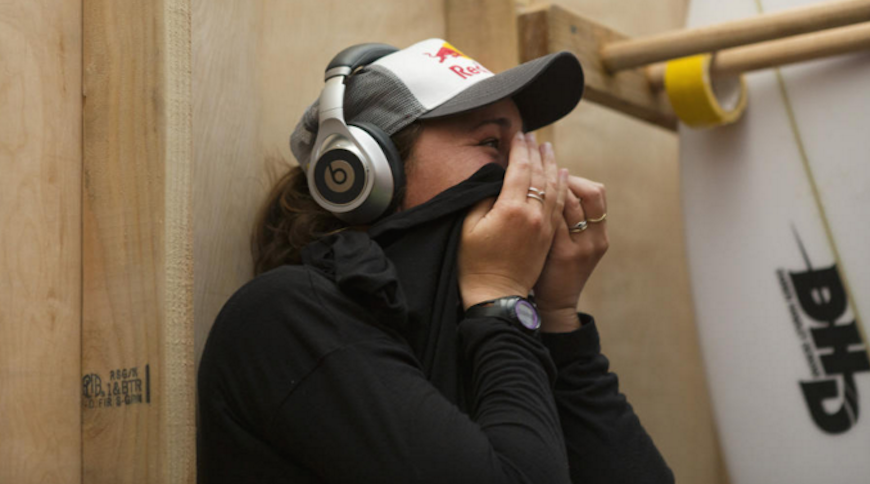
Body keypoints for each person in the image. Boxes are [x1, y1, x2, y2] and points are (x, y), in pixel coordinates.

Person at [198, 39, 673, 483]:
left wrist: (556, 319)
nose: (531, 177)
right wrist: (500, 296)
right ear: (367, 172)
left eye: (527, 147)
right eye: (493, 143)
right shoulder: (288, 317)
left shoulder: (472, 329)